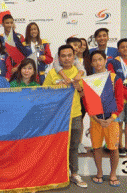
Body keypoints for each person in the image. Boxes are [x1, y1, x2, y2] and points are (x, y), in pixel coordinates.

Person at [43, 45, 87, 188]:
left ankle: (74, 173)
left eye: (69, 55)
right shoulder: (52, 74)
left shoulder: (80, 73)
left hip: (75, 114)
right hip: (57, 116)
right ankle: (55, 174)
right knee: (56, 145)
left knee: (74, 146)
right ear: (59, 58)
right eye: (63, 56)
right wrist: (58, 87)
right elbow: (44, 94)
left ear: (74, 56)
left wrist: (79, 87)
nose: (67, 58)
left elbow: (85, 95)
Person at [85, 50, 123, 187]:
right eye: (94, 60)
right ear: (91, 62)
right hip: (96, 120)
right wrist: (96, 119)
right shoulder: (89, 79)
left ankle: (113, 174)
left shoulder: (115, 78)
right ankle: (99, 173)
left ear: (105, 60)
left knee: (114, 148)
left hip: (112, 121)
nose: (97, 63)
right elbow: (88, 103)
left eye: (100, 59)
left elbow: (119, 101)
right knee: (96, 147)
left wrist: (111, 118)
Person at [107, 38, 127, 157]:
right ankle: (119, 146)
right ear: (118, 49)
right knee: (118, 123)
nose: (125, 49)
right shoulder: (112, 62)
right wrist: (124, 93)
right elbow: (112, 80)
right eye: (122, 47)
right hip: (119, 98)